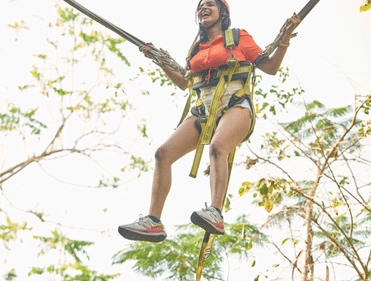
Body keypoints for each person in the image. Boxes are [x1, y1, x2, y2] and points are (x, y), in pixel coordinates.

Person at [118, 0, 301, 242]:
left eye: (211, 4)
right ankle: (153, 222)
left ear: (222, 12)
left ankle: (215, 212)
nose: (204, 7)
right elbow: (185, 82)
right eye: (201, 5)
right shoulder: (197, 47)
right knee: (163, 154)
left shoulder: (238, 37)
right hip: (204, 108)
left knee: (217, 147)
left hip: (235, 104)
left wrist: (285, 35)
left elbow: (270, 66)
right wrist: (159, 60)